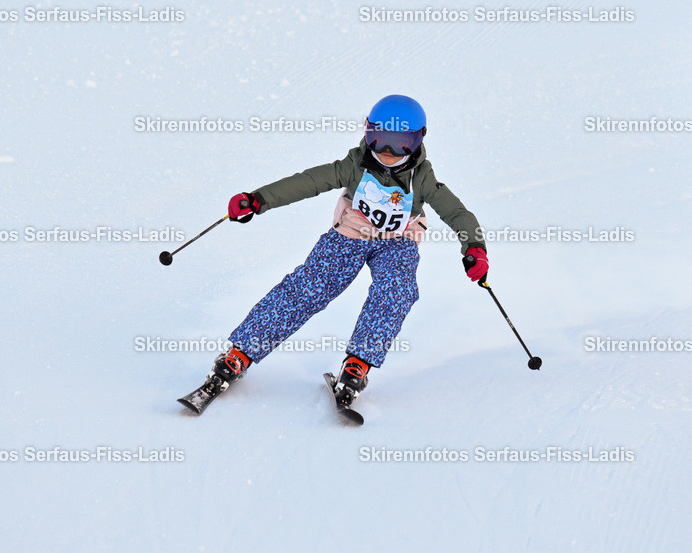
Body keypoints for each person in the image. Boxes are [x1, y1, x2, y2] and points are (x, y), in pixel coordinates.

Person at [202, 94, 488, 406]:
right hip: (351, 233)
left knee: (397, 290)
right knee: (310, 285)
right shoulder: (356, 165)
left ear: (418, 141)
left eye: (400, 143)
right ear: (368, 132)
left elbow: (456, 213)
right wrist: (259, 199)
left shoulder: (422, 178)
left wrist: (474, 248)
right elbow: (309, 181)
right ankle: (241, 352)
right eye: (379, 139)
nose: (388, 151)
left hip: (398, 241)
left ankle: (357, 364)